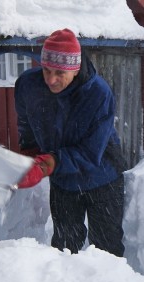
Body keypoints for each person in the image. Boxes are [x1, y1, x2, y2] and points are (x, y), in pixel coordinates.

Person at [14, 28, 127, 257]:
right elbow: (27, 121)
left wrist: (47, 164)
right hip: (65, 182)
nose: (51, 79)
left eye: (59, 72)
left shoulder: (97, 94)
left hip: (102, 177)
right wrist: (30, 152)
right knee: (64, 248)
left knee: (106, 252)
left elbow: (90, 152)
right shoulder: (28, 85)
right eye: (46, 70)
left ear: (75, 70)